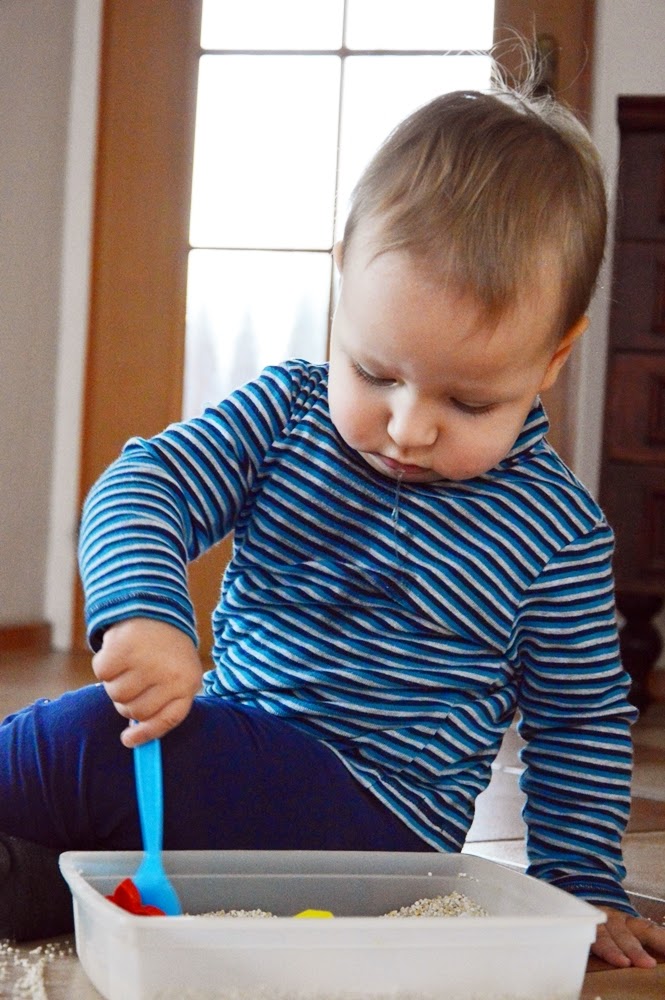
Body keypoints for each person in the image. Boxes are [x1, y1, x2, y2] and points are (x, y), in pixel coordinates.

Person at [2, 77, 664, 969]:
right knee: (65, 855)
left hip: (380, 826)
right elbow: (147, 485)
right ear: (343, 279)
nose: (408, 429)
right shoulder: (287, 416)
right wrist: (147, 612)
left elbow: (578, 722)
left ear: (553, 356)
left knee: (81, 744)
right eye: (375, 373)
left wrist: (583, 884)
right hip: (234, 762)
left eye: (469, 402)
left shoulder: (556, 531)